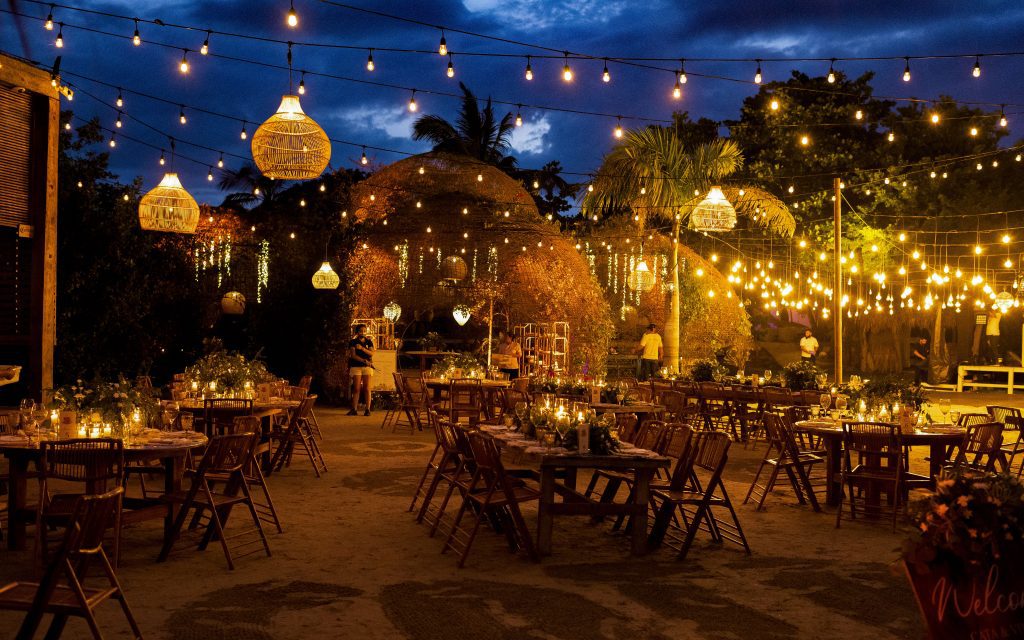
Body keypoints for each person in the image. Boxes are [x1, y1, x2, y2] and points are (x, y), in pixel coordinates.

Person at [347, 324, 375, 416]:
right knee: (356, 388)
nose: (362, 332)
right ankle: (354, 409)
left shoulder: (369, 341)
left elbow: (372, 353)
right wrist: (364, 361)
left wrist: (363, 348)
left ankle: (367, 409)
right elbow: (353, 355)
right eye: (360, 330)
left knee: (367, 388)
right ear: (357, 332)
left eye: (364, 330)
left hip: (367, 367)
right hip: (356, 366)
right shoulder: (353, 342)